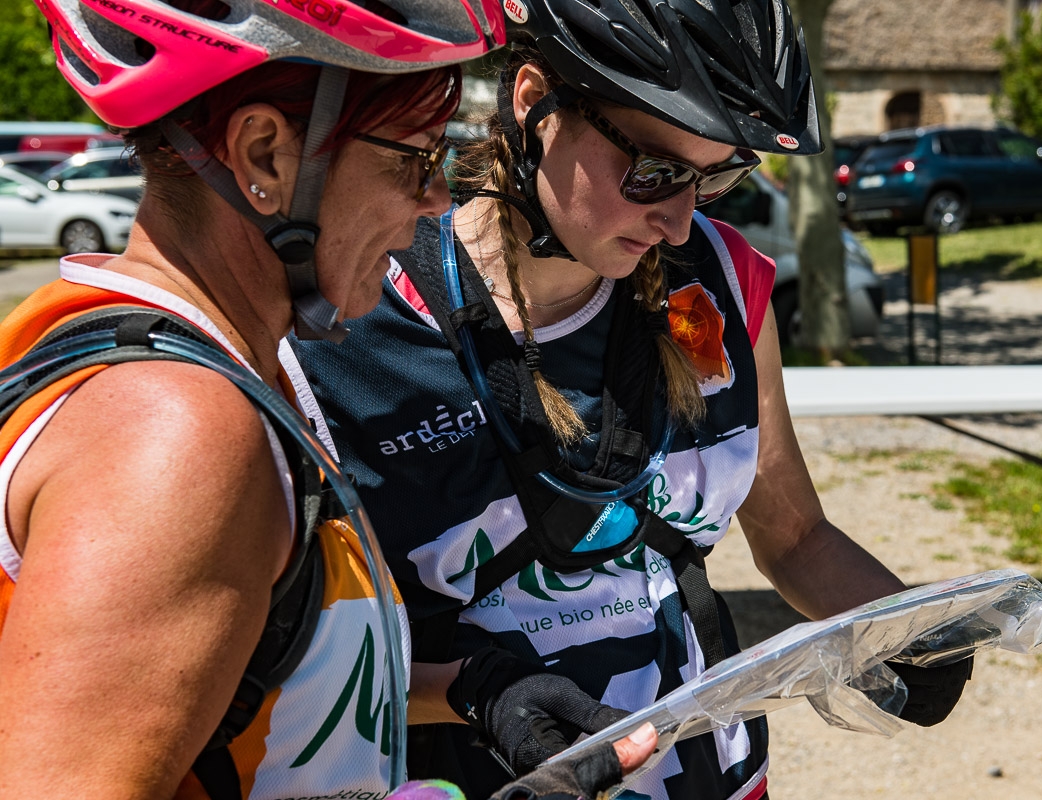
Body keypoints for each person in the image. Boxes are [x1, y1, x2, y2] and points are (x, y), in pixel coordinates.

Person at [288, 0, 974, 798]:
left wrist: (902, 629)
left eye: (717, 175)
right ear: (533, 102)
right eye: (655, 172)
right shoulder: (354, 318)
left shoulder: (721, 286)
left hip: (705, 775)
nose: (681, 223)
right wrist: (475, 692)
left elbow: (795, 539)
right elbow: (289, 664)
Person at [0, 0, 656, 797]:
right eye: (414, 161)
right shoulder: (175, 435)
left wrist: (474, 689)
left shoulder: (212, 368)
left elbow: (244, 679)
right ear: (265, 156)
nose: (436, 204)